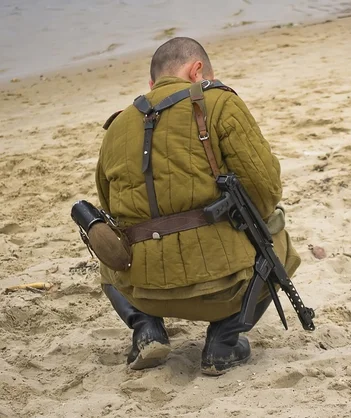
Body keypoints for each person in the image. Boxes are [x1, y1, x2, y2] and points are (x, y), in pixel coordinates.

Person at [95, 37, 301, 375]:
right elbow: (266, 190)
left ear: (152, 83)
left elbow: (111, 213)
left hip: (143, 292)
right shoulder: (218, 102)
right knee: (279, 238)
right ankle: (224, 341)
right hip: (224, 289)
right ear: (197, 71)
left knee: (106, 259)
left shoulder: (117, 126)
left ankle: (146, 329)